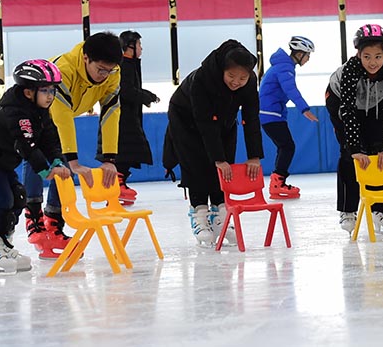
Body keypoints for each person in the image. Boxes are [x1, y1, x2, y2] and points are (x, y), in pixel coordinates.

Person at [22, 32, 123, 259]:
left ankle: (53, 222)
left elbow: (111, 112)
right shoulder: (63, 71)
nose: (105, 76)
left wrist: (109, 159)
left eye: (110, 70)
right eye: (101, 70)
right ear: (86, 58)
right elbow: (61, 117)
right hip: (34, 114)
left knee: (64, 166)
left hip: (62, 114)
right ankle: (34, 217)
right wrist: (73, 161)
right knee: (40, 157)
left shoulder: (113, 72)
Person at [162, 40, 263, 246]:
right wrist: (218, 158)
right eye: (232, 76)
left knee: (225, 165)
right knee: (197, 162)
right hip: (186, 118)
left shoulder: (250, 81)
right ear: (222, 70)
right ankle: (199, 212)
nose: (237, 82)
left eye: (243, 78)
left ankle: (221, 214)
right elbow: (205, 123)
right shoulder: (203, 78)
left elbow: (251, 117)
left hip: (224, 120)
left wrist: (254, 156)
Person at [0, 60, 69, 270]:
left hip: (2, 162)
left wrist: (57, 159)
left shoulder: (39, 111)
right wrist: (44, 170)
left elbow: (50, 137)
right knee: (3, 199)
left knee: (18, 198)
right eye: (45, 90)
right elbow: (26, 144)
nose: (50, 96)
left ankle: (3, 243)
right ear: (29, 92)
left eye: (53, 90)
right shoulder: (16, 112)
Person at [325, 24, 383, 234]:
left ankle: (381, 209)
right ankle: (348, 210)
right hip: (340, 101)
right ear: (358, 54)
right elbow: (348, 111)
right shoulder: (350, 70)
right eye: (366, 56)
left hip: (375, 104)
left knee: (379, 154)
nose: (372, 62)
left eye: (378, 56)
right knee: (349, 156)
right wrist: (354, 147)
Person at [259, 35, 317, 199]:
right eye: (308, 55)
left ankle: (277, 183)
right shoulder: (285, 68)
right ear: (300, 54)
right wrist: (304, 109)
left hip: (272, 114)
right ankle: (277, 183)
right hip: (271, 114)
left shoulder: (282, 66)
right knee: (287, 146)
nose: (308, 59)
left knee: (285, 146)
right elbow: (291, 90)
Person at [114, 30, 160, 206]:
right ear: (129, 47)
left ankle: (120, 181)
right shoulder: (123, 65)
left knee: (132, 150)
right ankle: (117, 184)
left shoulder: (130, 64)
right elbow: (125, 91)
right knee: (127, 150)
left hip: (130, 116)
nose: (141, 48)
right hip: (122, 118)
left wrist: (145, 96)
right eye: (139, 44)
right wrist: (145, 96)